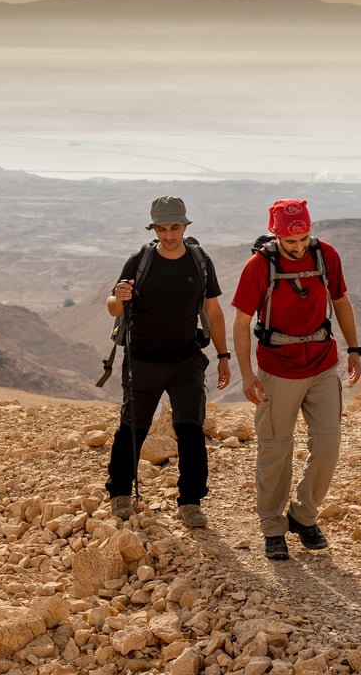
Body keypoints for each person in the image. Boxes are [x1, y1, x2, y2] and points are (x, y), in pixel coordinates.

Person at [231, 198, 361, 559]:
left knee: (328, 447)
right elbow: (241, 323)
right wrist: (247, 374)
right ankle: (273, 527)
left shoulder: (326, 256)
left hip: (322, 364)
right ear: (276, 236)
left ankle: (303, 516)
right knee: (276, 449)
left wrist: (354, 348)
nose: (299, 246)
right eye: (291, 241)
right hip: (278, 369)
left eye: (304, 238)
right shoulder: (259, 266)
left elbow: (342, 301)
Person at [105, 195, 231, 527]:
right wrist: (117, 298)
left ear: (185, 226)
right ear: (154, 229)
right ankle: (119, 493)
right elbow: (113, 307)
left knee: (190, 430)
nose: (169, 235)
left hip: (186, 359)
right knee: (133, 427)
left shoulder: (200, 261)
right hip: (142, 360)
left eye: (174, 227)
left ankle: (190, 502)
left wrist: (223, 356)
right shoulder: (140, 260)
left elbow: (214, 313)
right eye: (162, 228)